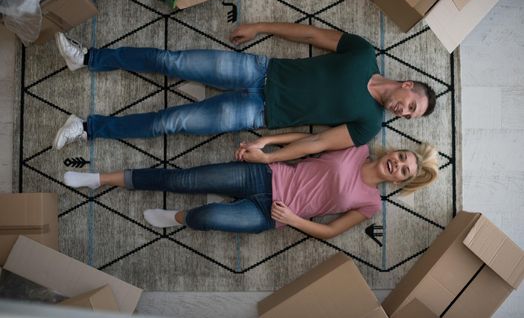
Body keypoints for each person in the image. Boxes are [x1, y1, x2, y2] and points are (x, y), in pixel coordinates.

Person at [52, 22, 436, 164]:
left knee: (172, 122)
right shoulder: (363, 53)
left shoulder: (369, 125)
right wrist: (258, 27)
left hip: (257, 114)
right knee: (172, 61)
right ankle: (87, 57)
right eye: (412, 105)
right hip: (259, 69)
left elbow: (317, 142)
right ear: (407, 85)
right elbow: (311, 35)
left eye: (410, 116)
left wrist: (270, 155)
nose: (404, 111)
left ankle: (87, 129)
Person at [63, 132, 439, 239]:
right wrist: (267, 143)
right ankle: (99, 178)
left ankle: (178, 217)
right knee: (182, 177)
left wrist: (292, 219)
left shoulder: (371, 204)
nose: (399, 164)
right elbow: (309, 139)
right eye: (403, 157)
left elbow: (329, 231)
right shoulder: (357, 146)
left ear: (397, 181)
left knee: (207, 217)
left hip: (270, 214)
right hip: (265, 175)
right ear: (397, 151)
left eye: (404, 171)